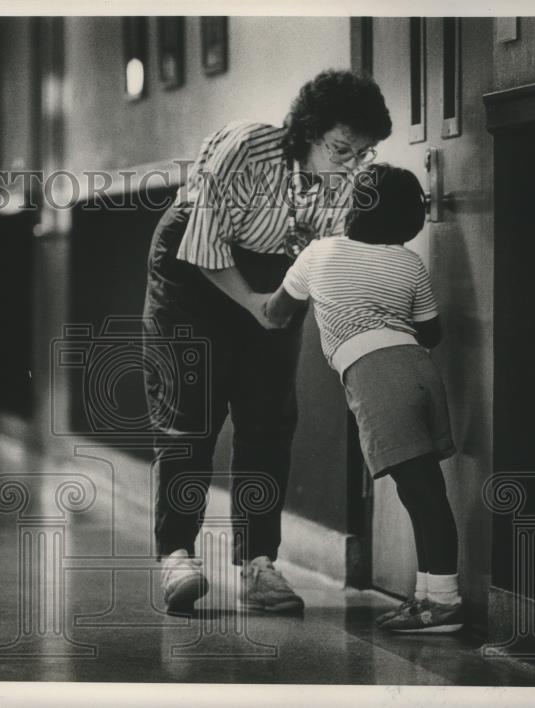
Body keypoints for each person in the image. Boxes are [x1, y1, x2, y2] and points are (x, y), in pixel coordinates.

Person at [142, 69, 393, 615]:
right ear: (306, 132)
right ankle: (177, 556)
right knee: (190, 414)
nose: (352, 164)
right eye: (341, 149)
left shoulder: (347, 175)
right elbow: (203, 244)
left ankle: (259, 564)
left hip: (275, 274)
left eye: (363, 153)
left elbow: (320, 256)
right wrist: (252, 302)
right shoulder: (247, 146)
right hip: (193, 273)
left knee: (268, 419)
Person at [261, 163, 465, 633]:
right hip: (417, 367)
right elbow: (431, 331)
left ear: (354, 206)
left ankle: (446, 603)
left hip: (376, 373)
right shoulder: (408, 262)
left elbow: (276, 313)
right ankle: (430, 599)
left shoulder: (319, 253)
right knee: (424, 491)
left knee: (422, 493)